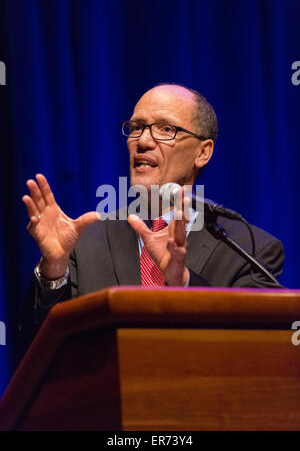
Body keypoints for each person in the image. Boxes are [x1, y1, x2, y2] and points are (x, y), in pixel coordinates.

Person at [21, 84, 284, 343]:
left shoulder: (250, 250)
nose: (143, 141)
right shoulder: (87, 241)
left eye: (166, 129)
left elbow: (260, 347)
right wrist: (54, 269)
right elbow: (38, 350)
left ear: (203, 152)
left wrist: (184, 283)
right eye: (136, 128)